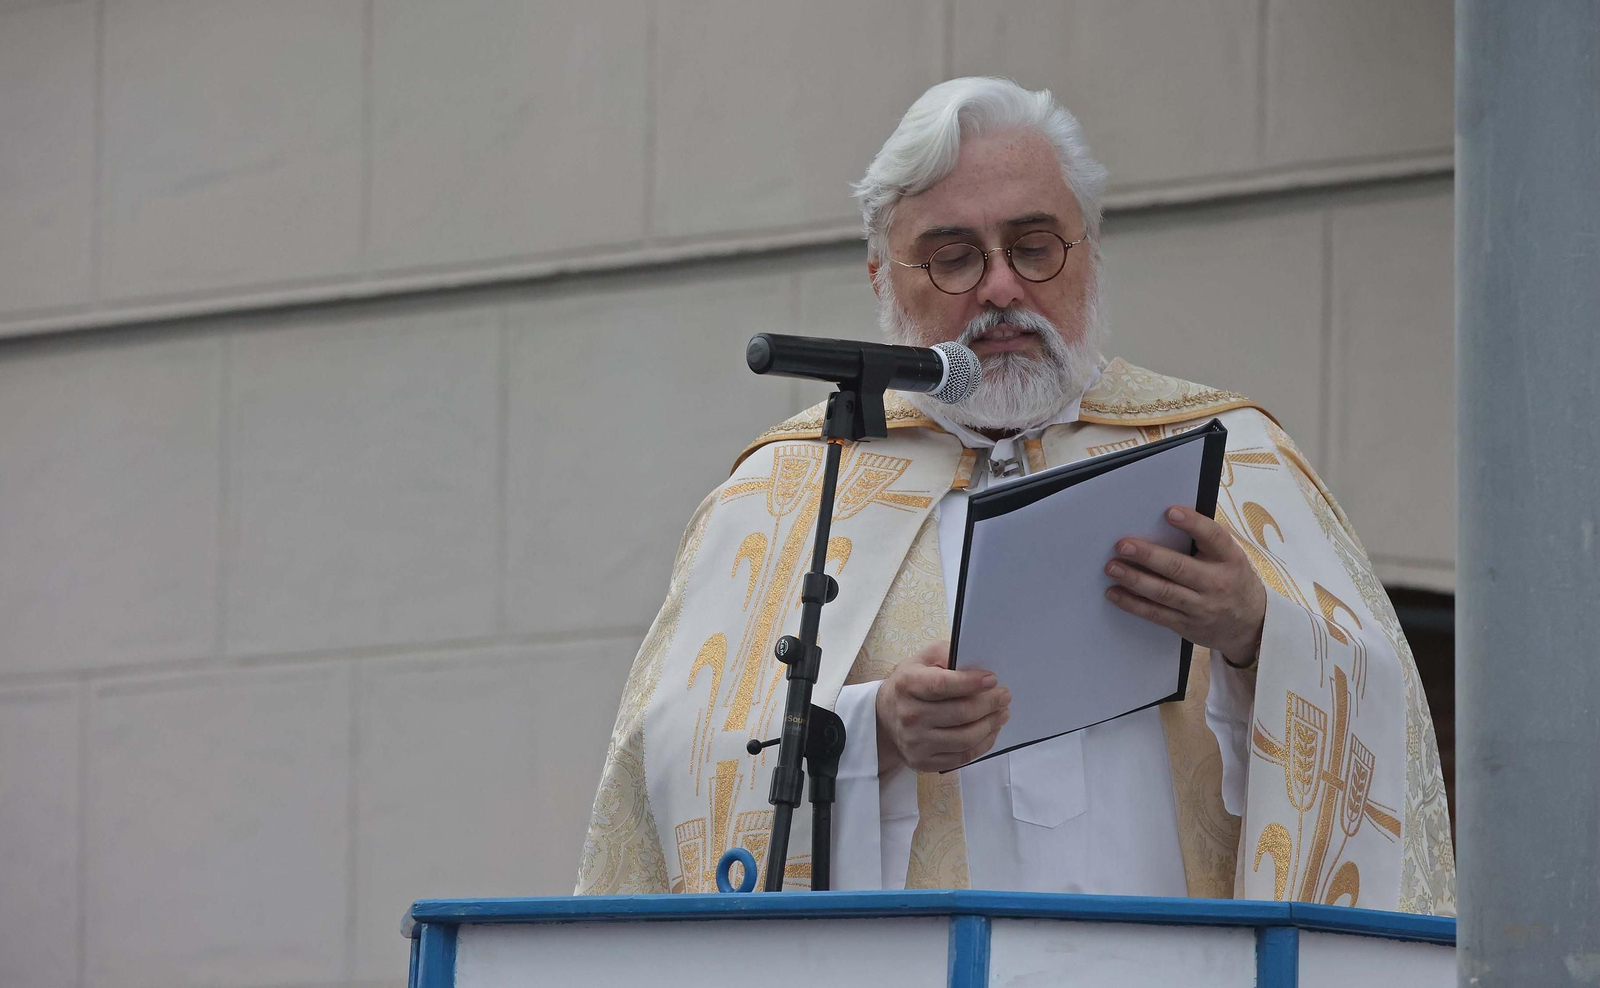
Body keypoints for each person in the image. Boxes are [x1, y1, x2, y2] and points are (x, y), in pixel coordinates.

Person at [575, 77, 1454, 914]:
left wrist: (1256, 633)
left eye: (1034, 247)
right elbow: (677, 752)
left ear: (1089, 250)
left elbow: (1381, 713)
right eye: (953, 257)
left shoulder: (1234, 457)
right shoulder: (795, 486)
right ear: (882, 276)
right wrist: (871, 730)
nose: (1001, 289)